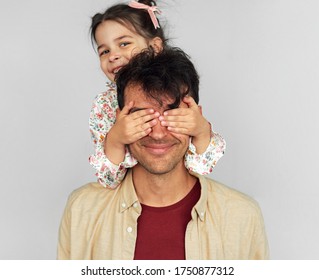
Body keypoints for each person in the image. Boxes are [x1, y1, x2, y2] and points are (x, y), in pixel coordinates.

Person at [58, 47, 269, 260]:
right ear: (118, 119)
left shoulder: (243, 216)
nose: (158, 134)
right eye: (143, 119)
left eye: (173, 117)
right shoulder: (81, 211)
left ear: (197, 118)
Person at [88, 0, 226, 188]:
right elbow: (109, 180)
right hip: (130, 196)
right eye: (104, 51)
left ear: (155, 46)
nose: (113, 56)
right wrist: (115, 139)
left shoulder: (177, 87)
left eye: (124, 43)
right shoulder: (104, 105)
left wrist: (201, 131)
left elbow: (200, 168)